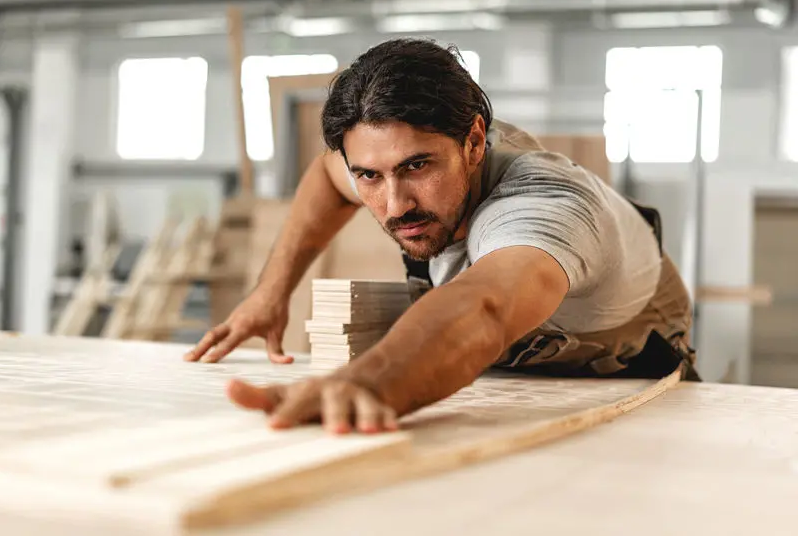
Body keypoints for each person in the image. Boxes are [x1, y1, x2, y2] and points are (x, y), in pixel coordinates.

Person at [184, 38, 699, 435]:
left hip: (622, 362)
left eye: (417, 165)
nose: (394, 204)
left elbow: (486, 308)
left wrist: (369, 380)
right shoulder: (380, 163)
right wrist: (270, 293)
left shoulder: (542, 207)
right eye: (369, 175)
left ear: (474, 143)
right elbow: (325, 177)